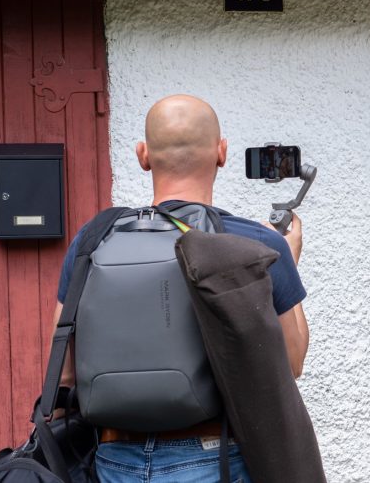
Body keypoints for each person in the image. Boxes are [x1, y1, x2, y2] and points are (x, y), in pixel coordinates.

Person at [52, 94, 310, 482]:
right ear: (221, 153)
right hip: (211, 457)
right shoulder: (258, 244)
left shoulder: (93, 240)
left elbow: (64, 373)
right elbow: (290, 363)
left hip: (113, 460)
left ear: (143, 156)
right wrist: (283, 261)